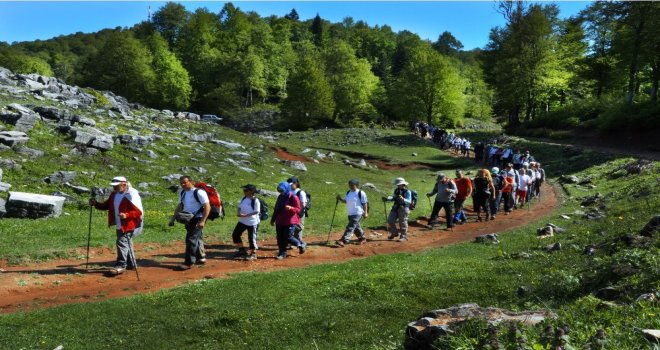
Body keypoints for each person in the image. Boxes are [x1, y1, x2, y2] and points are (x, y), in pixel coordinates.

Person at [90, 176, 143, 275]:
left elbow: (138, 212)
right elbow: (106, 206)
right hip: (120, 223)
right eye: (114, 186)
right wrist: (96, 204)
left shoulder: (131, 195)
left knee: (121, 242)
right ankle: (131, 263)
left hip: (128, 224)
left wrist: (126, 215)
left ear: (124, 184)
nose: (114, 188)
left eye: (117, 186)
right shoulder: (114, 194)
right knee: (127, 242)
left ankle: (120, 265)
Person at [171, 175, 210, 270]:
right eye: (181, 183)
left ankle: (188, 262)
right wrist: (173, 218)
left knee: (190, 239)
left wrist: (203, 221)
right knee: (197, 238)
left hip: (198, 218)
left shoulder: (199, 192)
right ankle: (201, 258)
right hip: (188, 218)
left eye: (185, 182)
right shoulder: (182, 192)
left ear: (191, 181)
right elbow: (180, 205)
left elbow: (207, 206)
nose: (183, 185)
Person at [270, 181, 305, 259]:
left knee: (287, 237)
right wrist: (273, 219)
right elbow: (276, 209)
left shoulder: (294, 197)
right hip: (280, 221)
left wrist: (291, 208)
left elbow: (298, 209)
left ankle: (300, 244)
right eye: (279, 191)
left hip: (290, 221)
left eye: (282, 190)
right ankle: (282, 253)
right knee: (279, 238)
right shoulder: (280, 197)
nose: (280, 192)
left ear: (286, 189)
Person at [335, 179, 369, 246]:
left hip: (358, 212)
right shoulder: (348, 192)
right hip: (350, 213)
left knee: (350, 226)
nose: (350, 186)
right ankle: (362, 239)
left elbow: (365, 203)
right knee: (356, 227)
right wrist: (340, 199)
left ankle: (344, 240)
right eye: (349, 185)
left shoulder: (361, 193)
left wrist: (365, 212)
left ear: (356, 185)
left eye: (352, 185)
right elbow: (345, 201)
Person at [231, 184, 260, 261]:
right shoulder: (243, 198)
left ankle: (253, 254)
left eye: (246, 190)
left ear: (251, 191)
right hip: (242, 221)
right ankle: (241, 250)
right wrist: (238, 212)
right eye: (244, 190)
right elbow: (239, 206)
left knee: (251, 238)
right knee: (235, 234)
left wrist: (246, 215)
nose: (244, 191)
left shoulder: (255, 200)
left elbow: (257, 211)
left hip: (252, 222)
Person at [383, 177, 412, 242]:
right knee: (390, 220)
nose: (398, 185)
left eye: (399, 184)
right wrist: (387, 199)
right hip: (395, 207)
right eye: (397, 184)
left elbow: (409, 201)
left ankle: (403, 236)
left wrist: (403, 199)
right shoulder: (396, 190)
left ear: (403, 184)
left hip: (404, 208)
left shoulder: (408, 192)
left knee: (402, 222)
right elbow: (394, 198)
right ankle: (394, 233)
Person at [287, 176, 307, 244]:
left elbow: (303, 204)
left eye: (291, 184)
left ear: (295, 183)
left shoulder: (301, 192)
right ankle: (294, 243)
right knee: (291, 229)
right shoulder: (290, 191)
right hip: (291, 213)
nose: (290, 186)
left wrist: (298, 213)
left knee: (298, 229)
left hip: (299, 213)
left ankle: (300, 244)